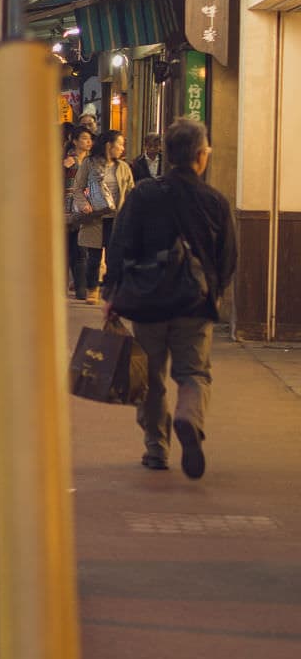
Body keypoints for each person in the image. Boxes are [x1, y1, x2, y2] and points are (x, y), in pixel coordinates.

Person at [104, 118, 238, 478]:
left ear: (169, 154)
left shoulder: (144, 194)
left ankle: (156, 448)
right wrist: (216, 292)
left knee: (149, 379)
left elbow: (120, 242)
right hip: (194, 303)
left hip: (147, 302)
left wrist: (111, 291)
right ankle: (188, 417)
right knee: (194, 373)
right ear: (200, 155)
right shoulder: (215, 201)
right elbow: (228, 255)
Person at [74, 128, 134, 301]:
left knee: (114, 257)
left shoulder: (123, 167)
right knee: (94, 257)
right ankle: (92, 289)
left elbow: (131, 191)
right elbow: (78, 187)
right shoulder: (89, 163)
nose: (122, 148)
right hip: (95, 216)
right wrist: (84, 205)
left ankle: (111, 290)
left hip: (117, 217)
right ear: (109, 145)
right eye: (120, 144)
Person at [63, 126, 94, 299]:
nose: (88, 142)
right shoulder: (67, 161)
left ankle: (81, 289)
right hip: (67, 210)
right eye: (84, 138)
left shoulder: (91, 162)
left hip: (86, 209)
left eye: (90, 138)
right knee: (68, 249)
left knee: (81, 250)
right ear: (74, 141)